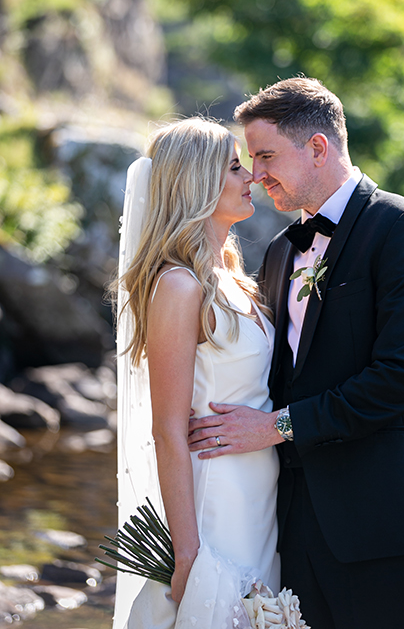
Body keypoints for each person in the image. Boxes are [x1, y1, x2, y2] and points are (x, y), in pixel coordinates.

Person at [188, 77, 404, 629]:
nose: (257, 172)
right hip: (285, 518)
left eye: (266, 155)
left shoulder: (402, 227)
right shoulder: (276, 252)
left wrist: (278, 427)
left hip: (377, 514)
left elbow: (400, 377)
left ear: (318, 148)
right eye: (249, 159)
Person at [113, 117, 281, 629]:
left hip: (260, 493)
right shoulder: (179, 286)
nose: (250, 175)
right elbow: (166, 426)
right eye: (235, 167)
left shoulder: (234, 278)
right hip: (214, 499)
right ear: (198, 183)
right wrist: (187, 554)